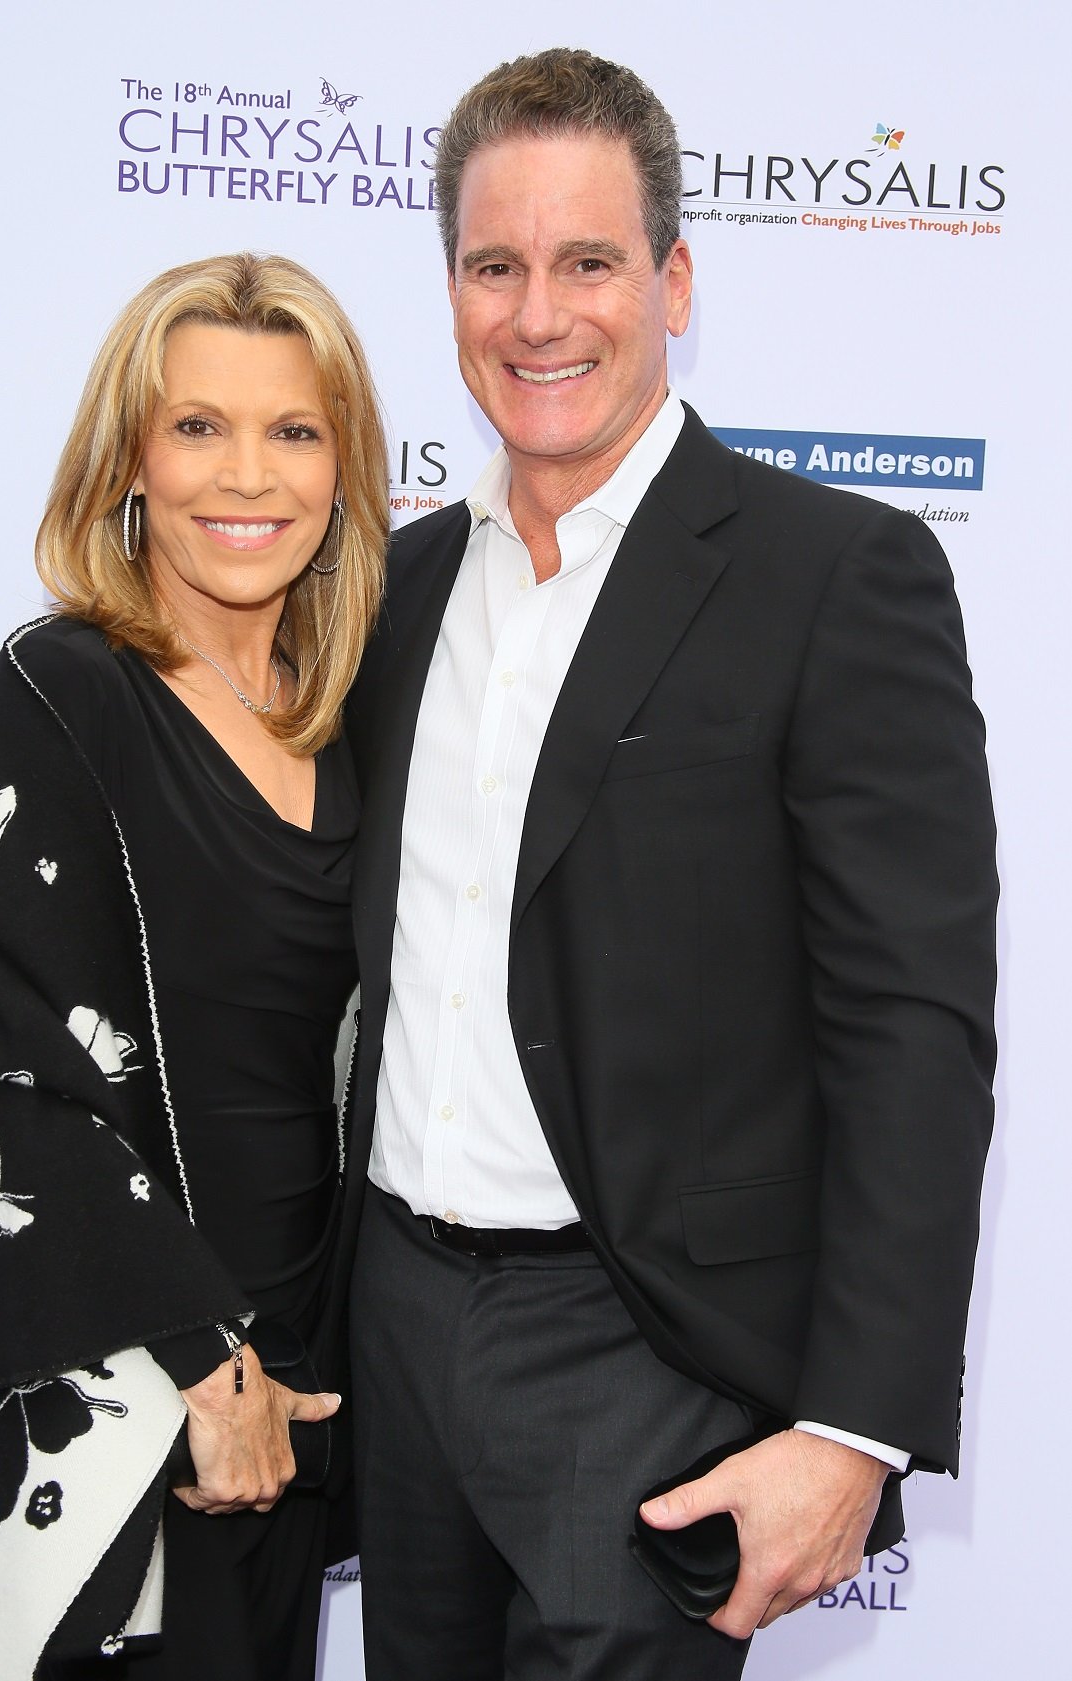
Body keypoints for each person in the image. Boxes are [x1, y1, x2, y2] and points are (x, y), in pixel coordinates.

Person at [339, 48, 997, 1680]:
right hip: (394, 1321)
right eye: (495, 266)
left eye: (587, 262)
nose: (538, 314)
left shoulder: (836, 572)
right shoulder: (395, 588)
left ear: (673, 279)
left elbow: (911, 1025)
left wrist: (854, 1428)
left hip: (642, 1351)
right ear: (450, 293)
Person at [0, 252, 387, 1681]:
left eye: (294, 430)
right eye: (197, 426)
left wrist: (284, 1372)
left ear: (344, 467)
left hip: (305, 1377)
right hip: (124, 1373)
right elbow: (8, 1068)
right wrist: (194, 1357)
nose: (248, 475)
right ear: (129, 458)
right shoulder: (68, 690)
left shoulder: (359, 714)